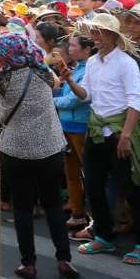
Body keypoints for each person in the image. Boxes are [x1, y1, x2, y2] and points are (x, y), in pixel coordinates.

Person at [74, 13, 140, 265]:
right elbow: (87, 95)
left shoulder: (126, 63)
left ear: (112, 35)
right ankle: (104, 234)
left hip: (120, 133)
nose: (95, 38)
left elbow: (135, 100)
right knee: (94, 187)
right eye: (93, 33)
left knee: (133, 189)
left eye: (99, 33)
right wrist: (68, 80)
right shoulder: (91, 62)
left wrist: (127, 135)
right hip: (98, 131)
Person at [0, 33, 79, 279]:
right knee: (53, 205)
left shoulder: (2, 79)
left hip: (16, 151)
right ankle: (64, 259)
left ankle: (28, 263)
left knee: (22, 208)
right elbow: (56, 85)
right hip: (50, 150)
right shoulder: (43, 73)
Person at [55, 32, 93, 230]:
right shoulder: (77, 68)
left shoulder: (89, 70)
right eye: (69, 45)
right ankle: (77, 212)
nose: (69, 49)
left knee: (87, 173)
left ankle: (94, 218)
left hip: (81, 126)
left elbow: (77, 99)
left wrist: (51, 102)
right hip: (67, 125)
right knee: (71, 173)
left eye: (73, 46)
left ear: (86, 49)